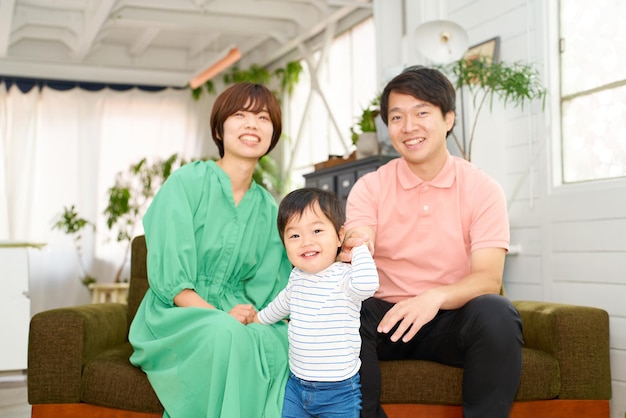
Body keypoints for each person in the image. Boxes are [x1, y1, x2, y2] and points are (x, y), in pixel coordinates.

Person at [339, 66, 524, 418]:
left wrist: (433, 298)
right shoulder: (371, 186)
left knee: (497, 312)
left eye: (422, 113)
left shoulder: (483, 189)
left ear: (448, 118)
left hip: (449, 319)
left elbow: (488, 278)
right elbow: (362, 237)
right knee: (346, 306)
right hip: (385, 318)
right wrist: (357, 243)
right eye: (397, 117)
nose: (408, 127)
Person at [128, 82, 294, 418]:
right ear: (219, 128)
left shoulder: (267, 208)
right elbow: (172, 284)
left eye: (263, 117)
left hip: (235, 315)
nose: (252, 124)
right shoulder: (186, 183)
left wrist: (253, 315)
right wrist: (221, 316)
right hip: (177, 314)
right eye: (240, 114)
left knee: (281, 341)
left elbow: (270, 287)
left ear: (273, 133)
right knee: (225, 332)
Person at [253, 187, 379, 418]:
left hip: (339, 392)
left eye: (317, 230)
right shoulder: (296, 278)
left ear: (340, 236)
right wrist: (257, 318)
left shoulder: (345, 277)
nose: (306, 242)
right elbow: (281, 305)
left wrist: (359, 248)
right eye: (294, 236)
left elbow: (367, 285)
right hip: (297, 387)